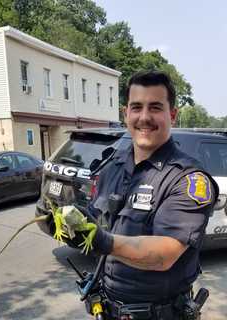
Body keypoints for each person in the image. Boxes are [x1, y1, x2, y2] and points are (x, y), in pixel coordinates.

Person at [44, 71, 219, 320]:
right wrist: (70, 224)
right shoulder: (112, 166)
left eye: (155, 107)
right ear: (126, 113)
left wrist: (103, 241)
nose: (144, 117)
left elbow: (164, 255)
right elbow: (97, 220)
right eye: (136, 107)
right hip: (107, 308)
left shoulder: (188, 179)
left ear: (172, 115)